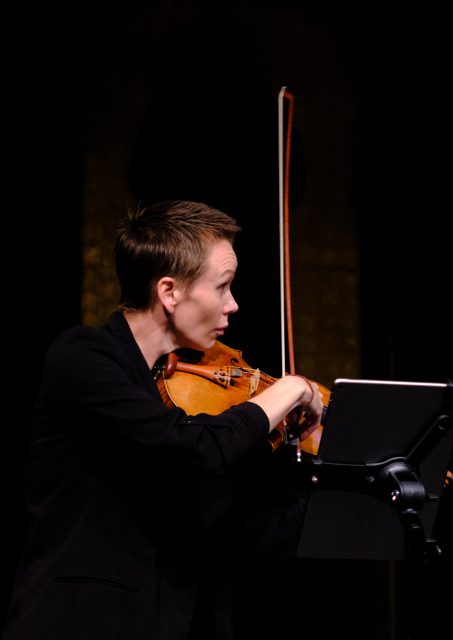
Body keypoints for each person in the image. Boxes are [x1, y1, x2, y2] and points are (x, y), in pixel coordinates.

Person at [3, 201, 326, 640]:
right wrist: (288, 390)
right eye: (223, 286)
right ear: (170, 292)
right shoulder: (83, 357)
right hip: (84, 621)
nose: (233, 305)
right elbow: (193, 449)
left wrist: (350, 504)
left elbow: (228, 531)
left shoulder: (182, 396)